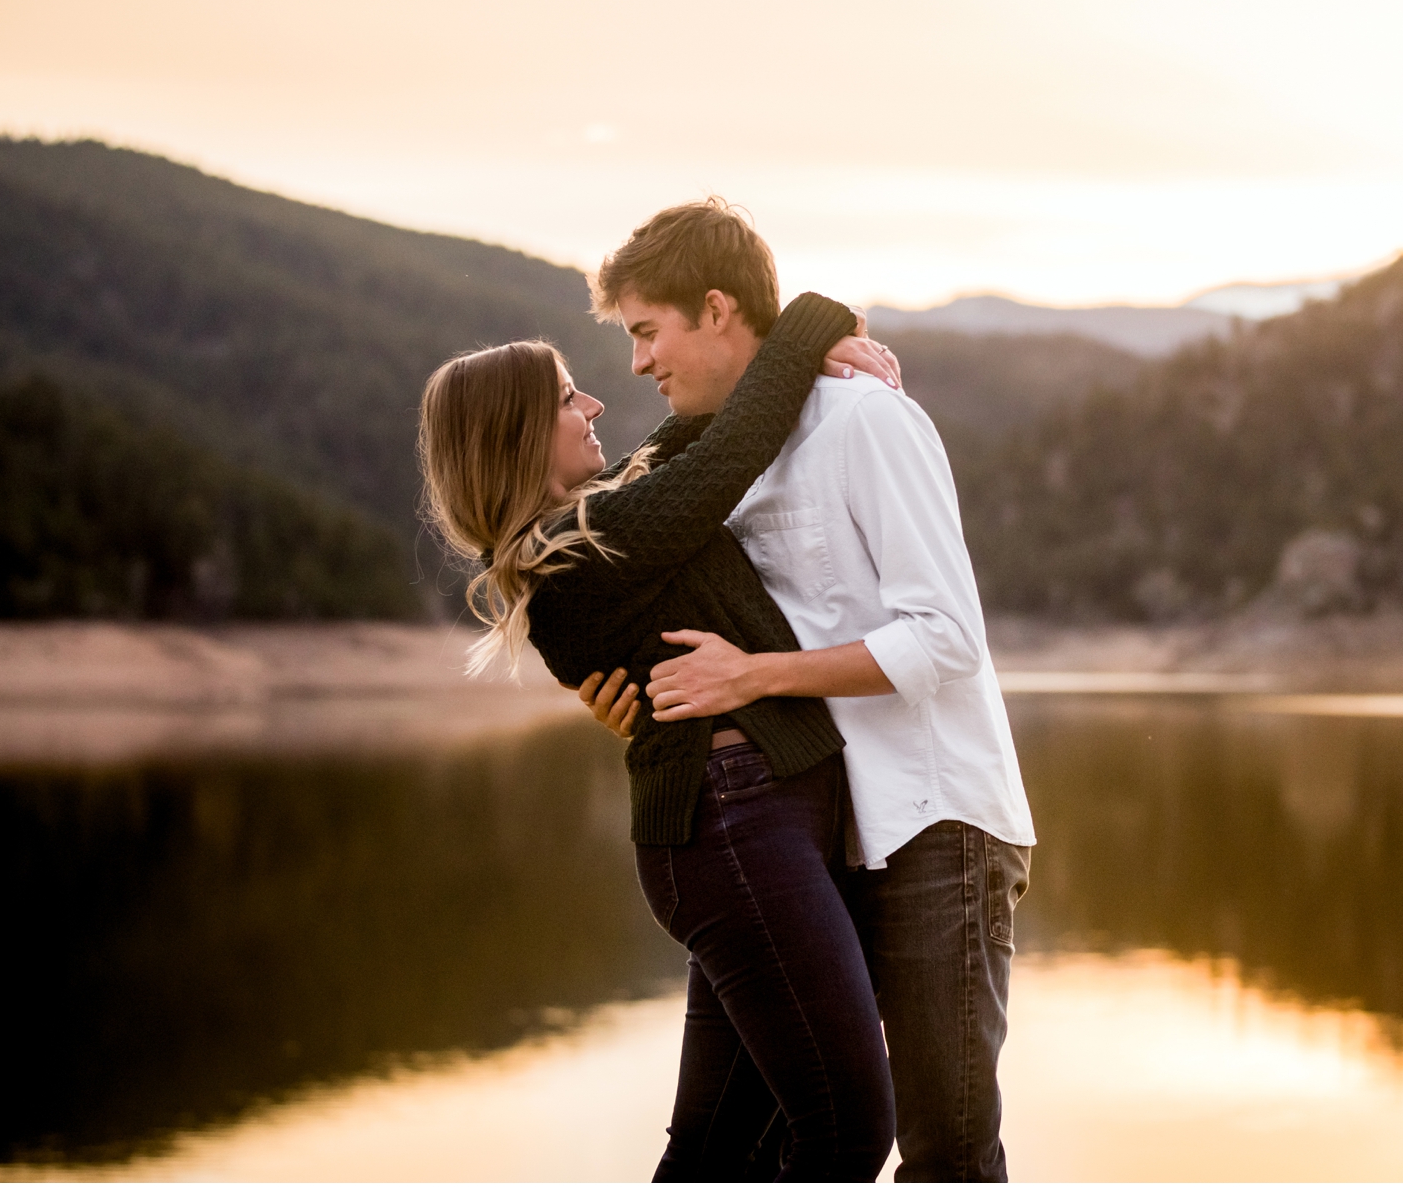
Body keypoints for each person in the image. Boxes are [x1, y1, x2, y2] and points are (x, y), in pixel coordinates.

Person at [576, 199, 1037, 1183]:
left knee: (948, 1152)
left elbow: (945, 636)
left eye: (646, 333)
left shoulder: (865, 420)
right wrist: (629, 697)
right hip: (820, 832)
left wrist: (754, 675)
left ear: (716, 309)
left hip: (935, 823)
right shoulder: (711, 453)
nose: (637, 365)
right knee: (789, 1135)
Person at [416, 291, 906, 1182]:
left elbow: (680, 446)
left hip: (742, 836)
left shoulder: (602, 520)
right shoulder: (582, 545)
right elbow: (725, 455)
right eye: (569, 397)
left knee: (719, 1153)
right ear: (519, 435)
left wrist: (763, 349)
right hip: (740, 839)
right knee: (847, 1130)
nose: (596, 403)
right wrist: (813, 318)